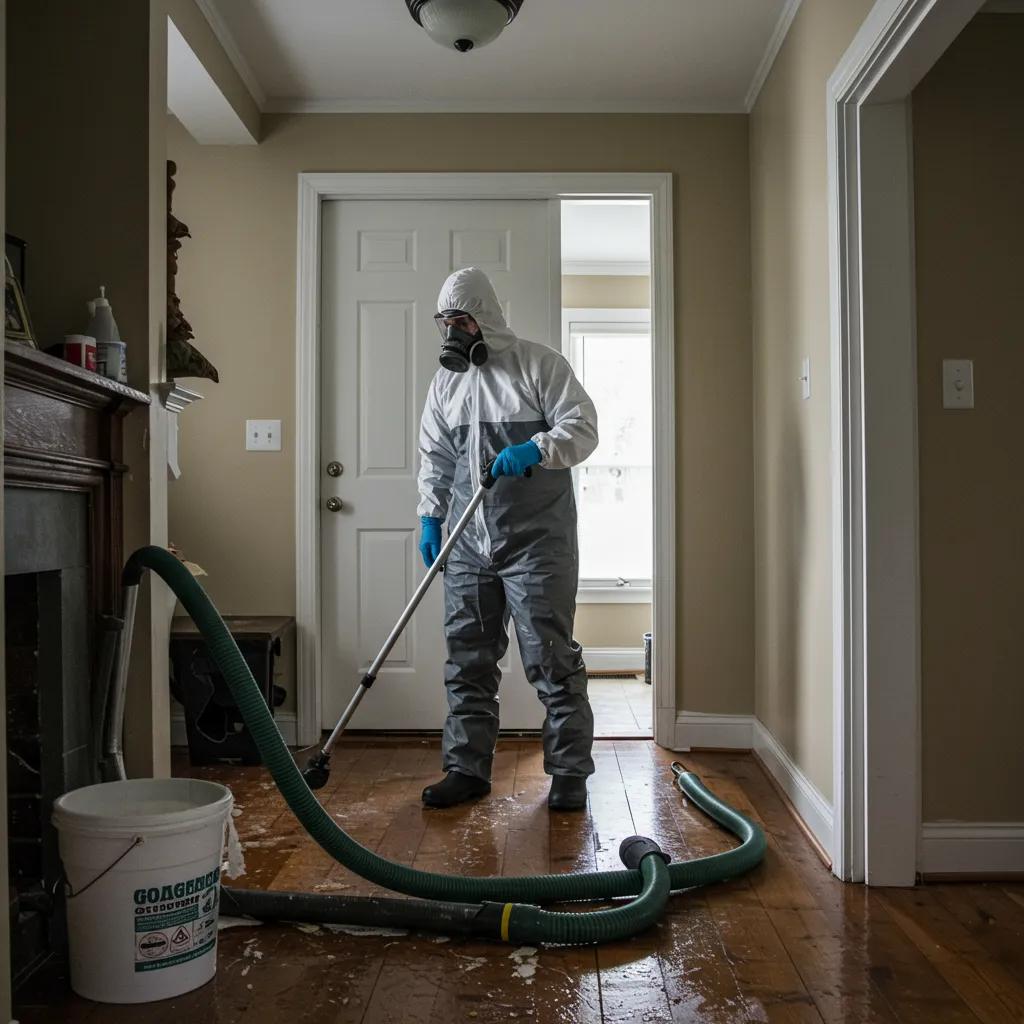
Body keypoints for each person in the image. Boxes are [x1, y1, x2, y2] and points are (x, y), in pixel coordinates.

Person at [417, 266, 599, 811]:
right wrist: (430, 516)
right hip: (470, 544)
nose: (455, 330)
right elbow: (436, 455)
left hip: (537, 544)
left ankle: (569, 774)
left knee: (550, 659)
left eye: (463, 318)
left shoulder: (538, 366)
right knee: (467, 660)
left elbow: (583, 426)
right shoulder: (446, 383)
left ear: (487, 319)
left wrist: (536, 448)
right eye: (446, 320)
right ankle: (465, 768)